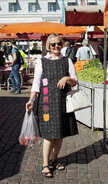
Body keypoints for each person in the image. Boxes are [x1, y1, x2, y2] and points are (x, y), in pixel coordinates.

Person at [26, 34, 78, 178]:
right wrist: (31, 100)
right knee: (49, 135)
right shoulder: (41, 62)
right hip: (46, 102)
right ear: (49, 46)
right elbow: (36, 84)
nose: (56, 47)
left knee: (59, 134)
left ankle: (54, 159)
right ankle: (45, 164)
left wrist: (67, 78)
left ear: (62, 45)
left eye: (59, 44)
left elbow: (75, 82)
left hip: (62, 102)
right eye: (53, 44)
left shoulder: (67, 61)